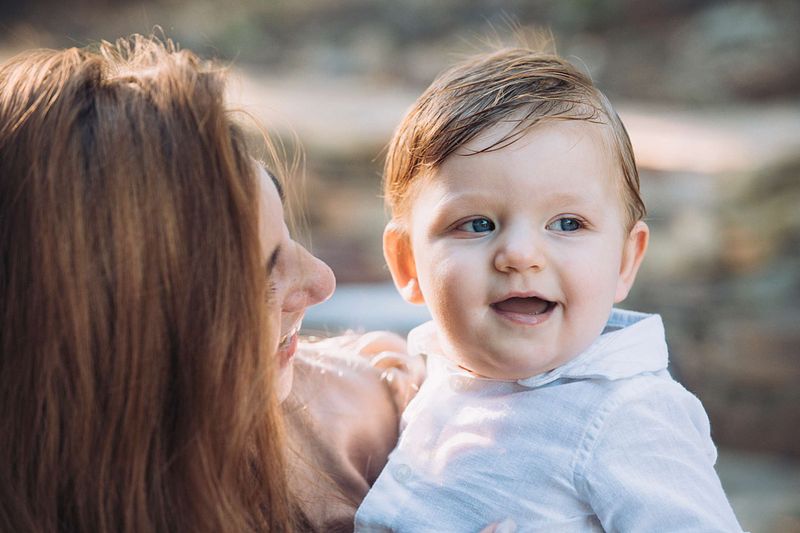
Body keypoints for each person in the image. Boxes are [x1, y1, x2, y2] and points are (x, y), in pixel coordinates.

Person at [0, 35, 418, 532]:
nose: (322, 282)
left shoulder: (377, 417)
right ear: (124, 339)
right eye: (258, 280)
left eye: (287, 231)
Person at [355, 47, 744, 531]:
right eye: (476, 224)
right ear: (407, 262)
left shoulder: (626, 416)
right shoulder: (438, 381)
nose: (520, 253)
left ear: (626, 260)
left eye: (567, 222)